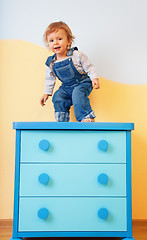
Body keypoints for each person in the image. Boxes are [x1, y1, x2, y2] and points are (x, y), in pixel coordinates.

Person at [40, 21, 100, 122]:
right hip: (66, 87)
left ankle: (86, 117)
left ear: (68, 41)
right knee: (58, 96)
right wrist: (46, 93)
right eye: (51, 40)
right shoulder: (51, 62)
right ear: (48, 44)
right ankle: (62, 120)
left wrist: (94, 78)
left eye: (59, 39)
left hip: (82, 83)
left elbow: (89, 67)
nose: (56, 42)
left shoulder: (76, 55)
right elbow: (49, 78)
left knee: (77, 93)